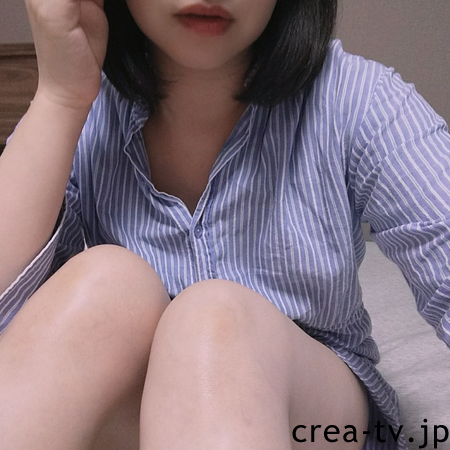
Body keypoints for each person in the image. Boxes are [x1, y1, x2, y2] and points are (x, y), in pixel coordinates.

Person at [0, 0, 449, 449]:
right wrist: (60, 97)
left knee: (213, 321)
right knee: (107, 283)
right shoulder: (86, 113)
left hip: (314, 413)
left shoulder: (357, 99)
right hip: (131, 415)